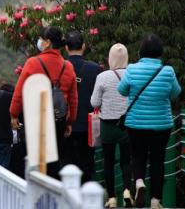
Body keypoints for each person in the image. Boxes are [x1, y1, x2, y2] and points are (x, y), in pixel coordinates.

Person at [118, 34, 181, 209]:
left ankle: (139, 183)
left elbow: (122, 90)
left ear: (141, 52)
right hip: (161, 124)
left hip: (135, 123)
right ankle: (155, 201)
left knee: (138, 156)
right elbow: (175, 92)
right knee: (157, 160)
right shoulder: (167, 71)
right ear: (160, 52)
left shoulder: (131, 69)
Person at [10, 26, 78, 178]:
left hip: (36, 119)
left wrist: (14, 114)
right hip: (58, 120)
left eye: (41, 39)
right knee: (54, 161)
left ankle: (37, 194)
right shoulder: (68, 66)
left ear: (47, 42)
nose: (39, 41)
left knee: (36, 160)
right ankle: (53, 194)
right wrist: (70, 122)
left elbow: (20, 92)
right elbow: (73, 98)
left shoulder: (32, 63)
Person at [91, 44, 134, 208]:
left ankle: (111, 198)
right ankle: (127, 191)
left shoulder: (102, 77)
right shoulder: (132, 75)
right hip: (127, 124)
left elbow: (94, 102)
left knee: (108, 161)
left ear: (110, 58)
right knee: (126, 160)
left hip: (108, 125)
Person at [63, 31, 101, 183]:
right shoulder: (95, 69)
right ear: (83, 46)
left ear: (66, 47)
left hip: (65, 124)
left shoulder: (61, 67)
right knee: (87, 164)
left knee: (67, 163)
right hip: (88, 126)